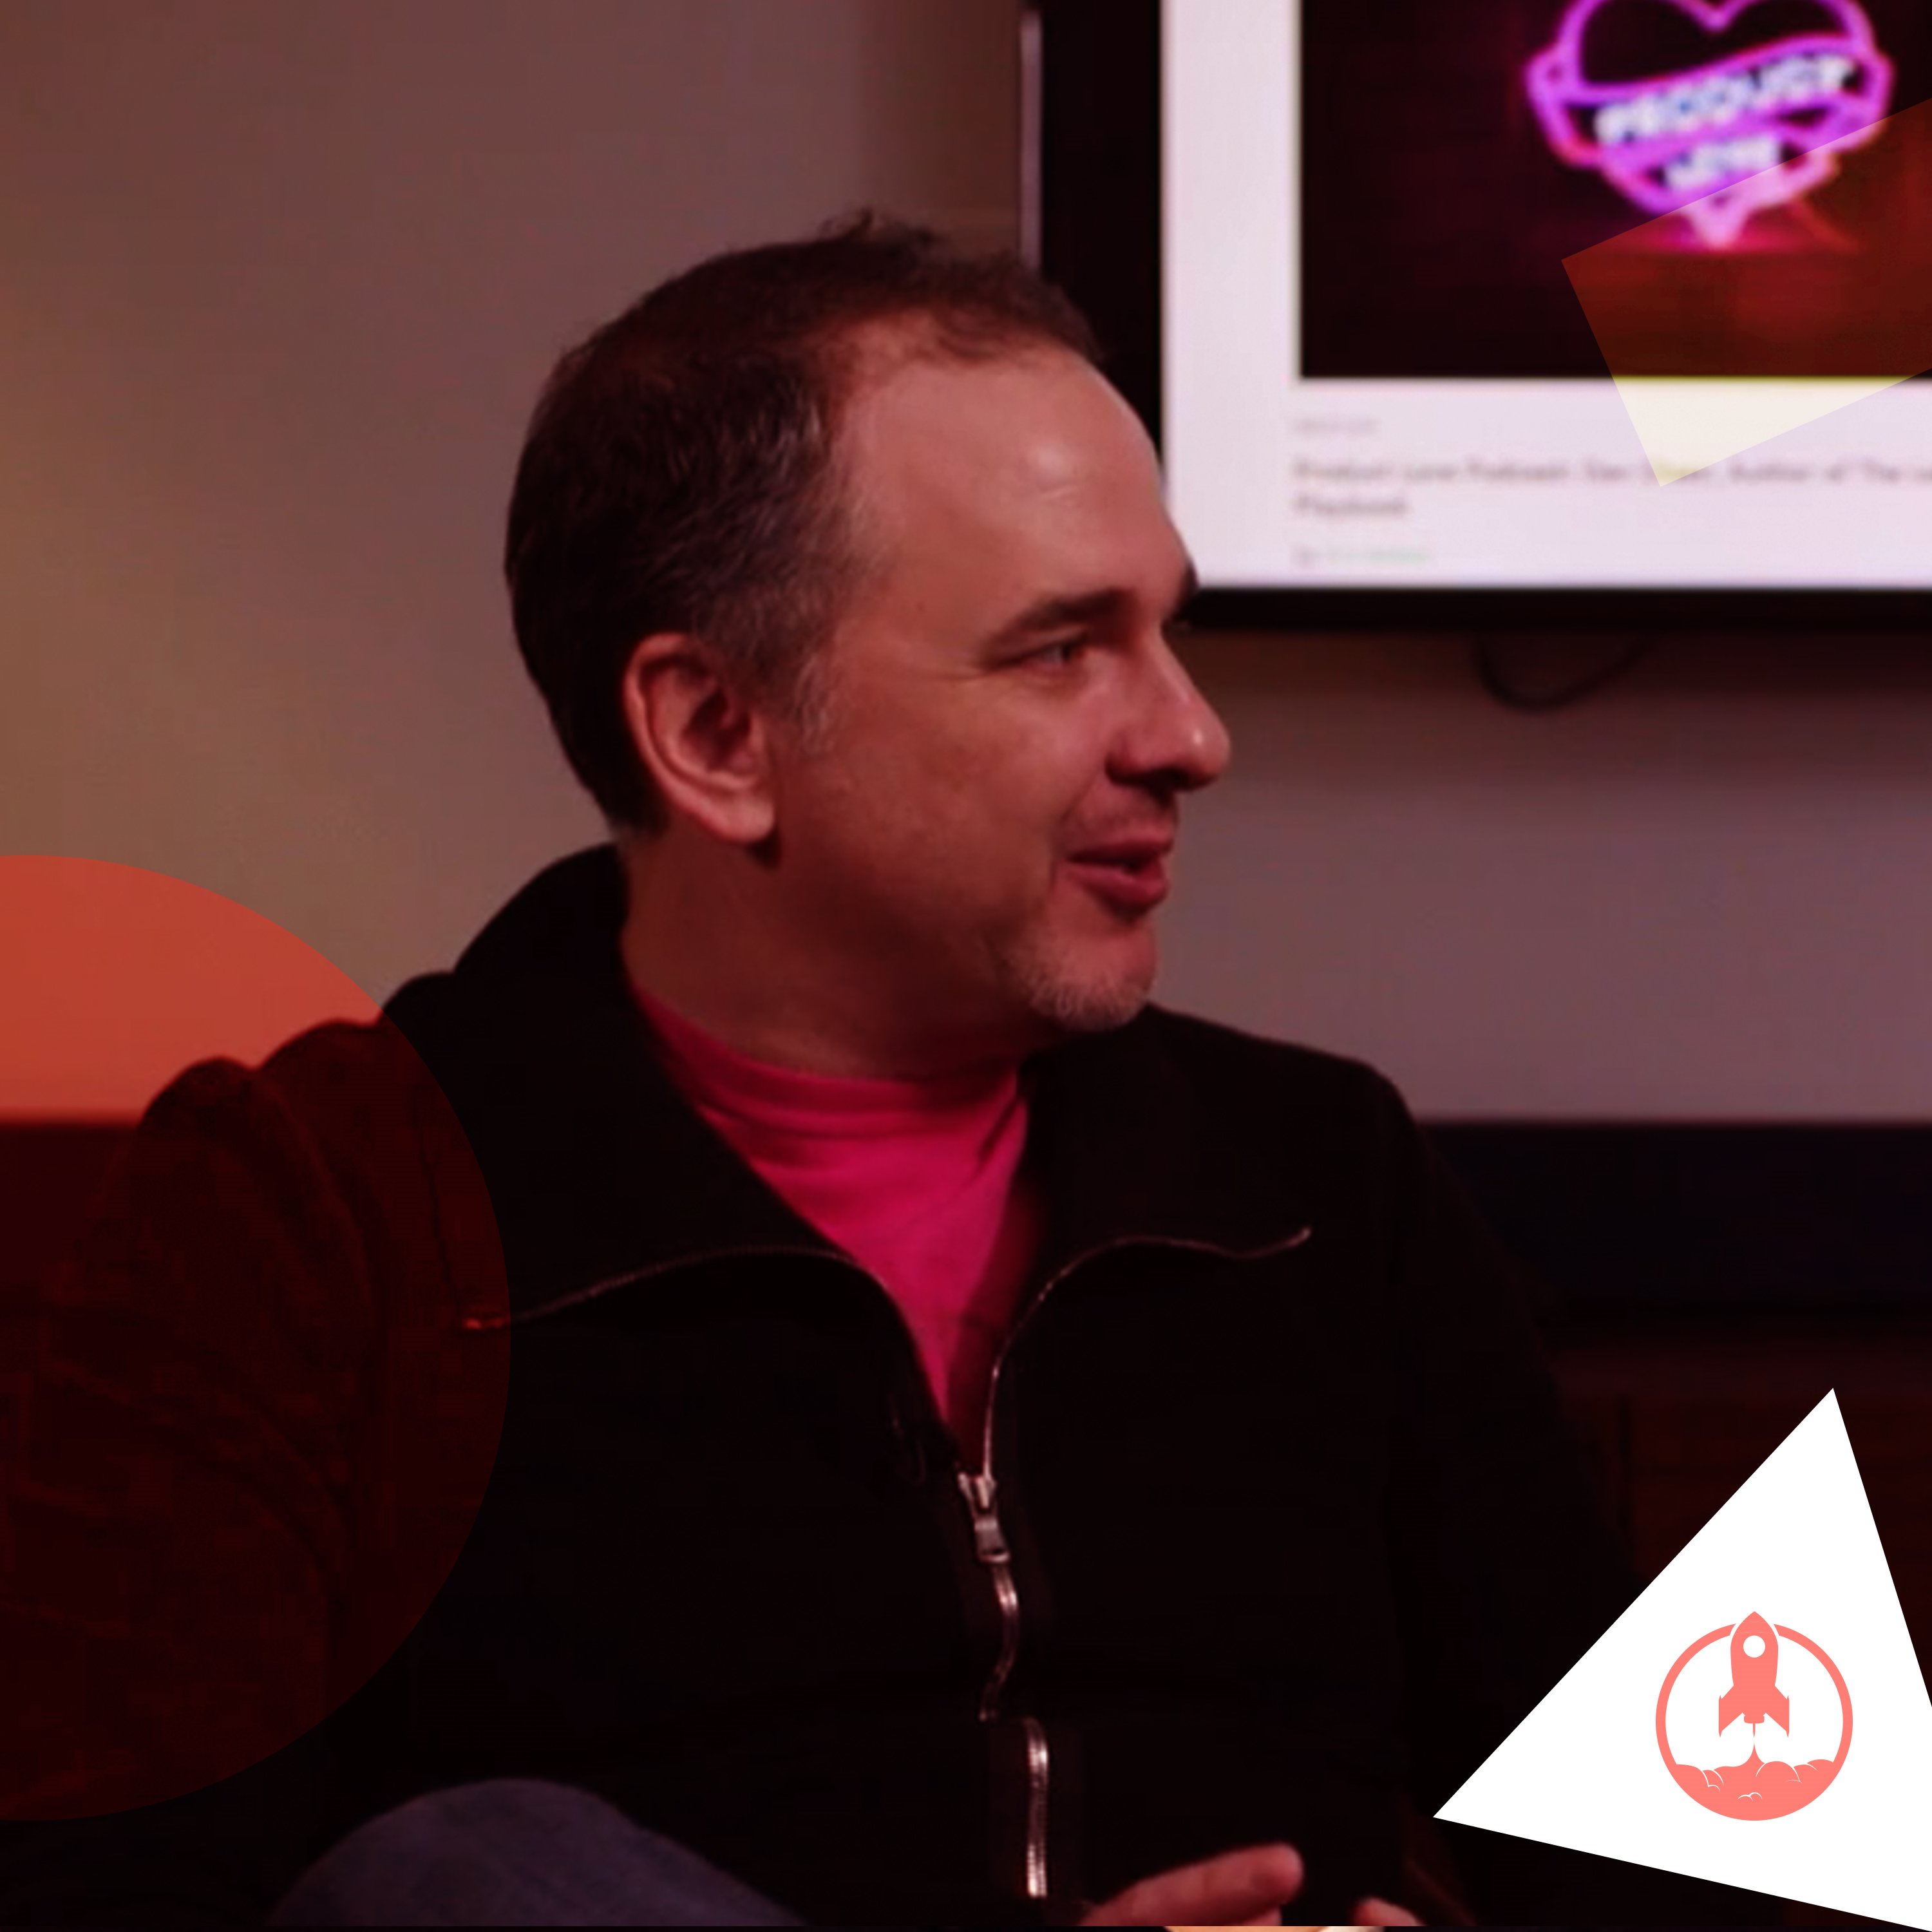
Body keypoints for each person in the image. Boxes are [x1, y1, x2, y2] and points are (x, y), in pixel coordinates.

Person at [0, 215, 1770, 1927]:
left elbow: (1696, 1864)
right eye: (1062, 648)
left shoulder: (1316, 1182)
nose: (1192, 736)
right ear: (717, 733)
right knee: (457, 1874)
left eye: (1168, 633)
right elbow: (100, 1898)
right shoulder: (318, 1206)